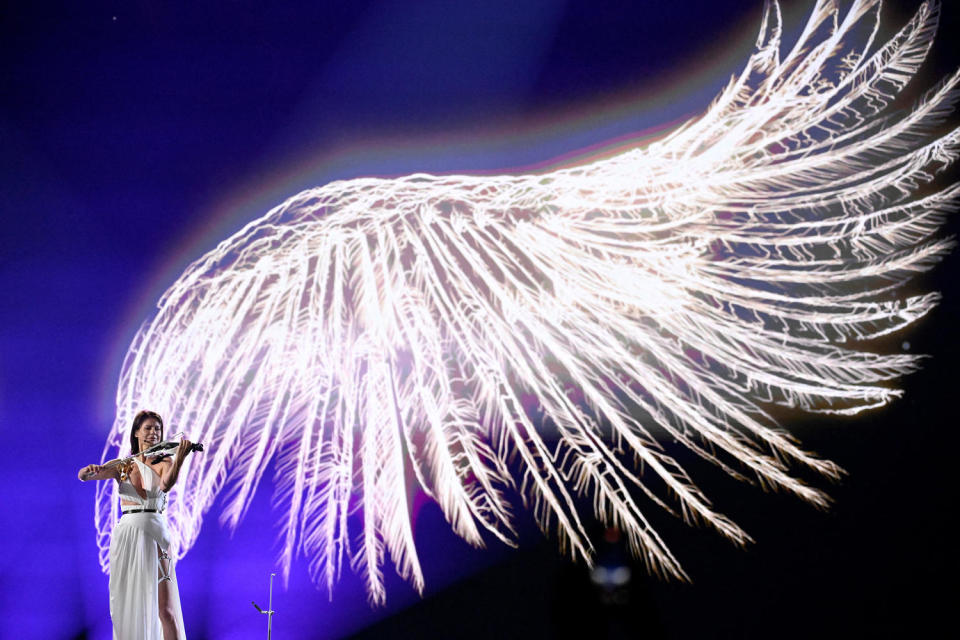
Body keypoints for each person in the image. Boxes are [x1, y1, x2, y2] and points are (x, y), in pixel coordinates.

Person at [78, 410, 194, 640]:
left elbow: (166, 484)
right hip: (128, 535)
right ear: (136, 432)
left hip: (154, 533)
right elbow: (85, 476)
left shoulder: (164, 460)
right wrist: (88, 471)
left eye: (157, 429)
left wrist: (180, 457)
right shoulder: (123, 465)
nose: (153, 433)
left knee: (166, 609)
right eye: (148, 428)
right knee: (129, 606)